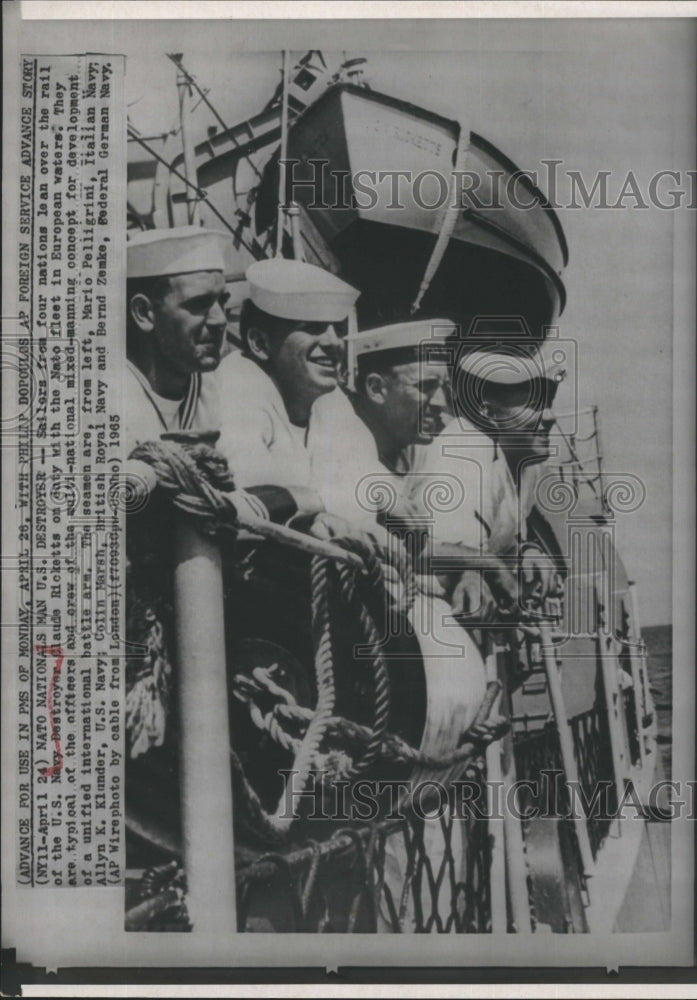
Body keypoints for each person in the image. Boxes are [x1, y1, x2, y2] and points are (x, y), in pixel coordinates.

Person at [413, 343, 567, 618]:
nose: (550, 417)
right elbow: (426, 553)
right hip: (421, 604)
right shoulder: (466, 448)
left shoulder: (527, 466)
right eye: (533, 403)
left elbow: (494, 539)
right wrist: (484, 568)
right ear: (487, 411)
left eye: (549, 404)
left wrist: (526, 551)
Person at [217, 257, 359, 496]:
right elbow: (257, 497)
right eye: (313, 327)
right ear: (260, 343)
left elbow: (364, 473)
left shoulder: (330, 397)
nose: (333, 342)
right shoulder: (236, 386)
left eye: (339, 329)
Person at [125, 225, 233, 455]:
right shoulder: (105, 402)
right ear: (144, 313)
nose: (220, 320)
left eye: (222, 302)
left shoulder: (213, 387)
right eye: (198, 304)